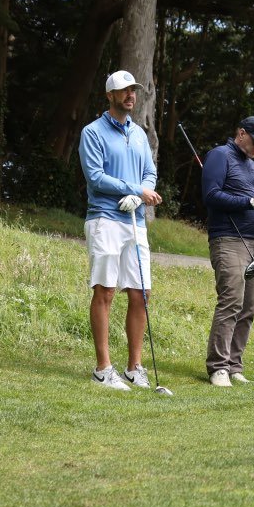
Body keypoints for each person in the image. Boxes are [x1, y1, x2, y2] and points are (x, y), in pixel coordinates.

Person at [79, 70, 162, 391]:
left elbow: (149, 173)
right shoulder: (93, 132)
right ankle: (103, 369)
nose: (130, 95)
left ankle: (134, 367)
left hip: (135, 221)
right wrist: (133, 190)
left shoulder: (139, 134)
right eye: (123, 90)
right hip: (104, 219)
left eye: (133, 90)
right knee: (106, 290)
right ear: (109, 96)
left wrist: (141, 190)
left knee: (141, 292)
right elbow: (95, 177)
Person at [201, 114, 254, 387]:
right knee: (231, 302)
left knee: (248, 307)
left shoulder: (253, 167)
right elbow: (211, 195)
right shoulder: (220, 155)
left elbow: (252, 201)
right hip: (228, 240)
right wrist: (250, 202)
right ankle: (218, 367)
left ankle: (235, 365)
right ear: (241, 133)